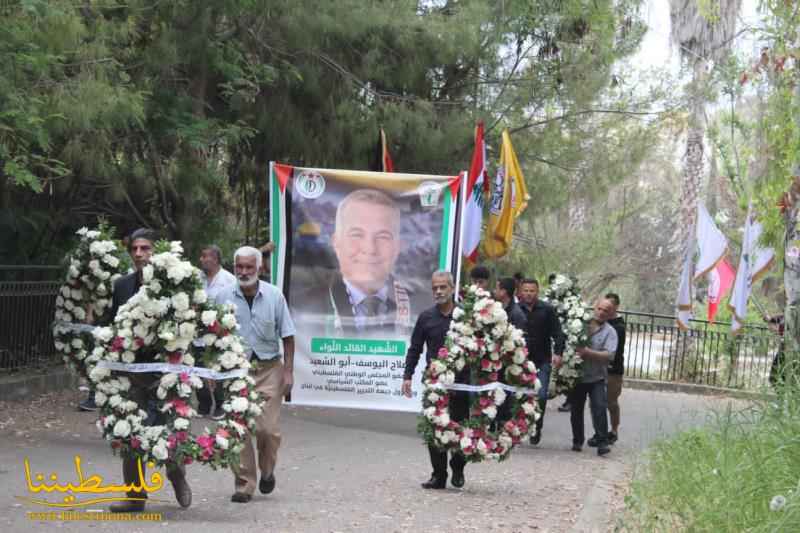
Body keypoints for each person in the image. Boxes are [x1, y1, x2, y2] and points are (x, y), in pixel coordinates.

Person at [107, 228, 192, 513]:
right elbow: (112, 327)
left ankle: (176, 475)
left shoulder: (173, 285)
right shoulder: (121, 286)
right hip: (131, 372)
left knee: (168, 429)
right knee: (129, 429)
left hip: (165, 372)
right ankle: (135, 495)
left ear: (156, 252)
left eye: (145, 248)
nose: (139, 254)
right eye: (135, 249)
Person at [219, 246, 296, 503]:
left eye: (249, 267)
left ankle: (268, 470)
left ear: (260, 268)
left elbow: (287, 335)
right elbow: (212, 335)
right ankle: (244, 483)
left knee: (267, 430)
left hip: (268, 370)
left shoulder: (275, 297)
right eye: (239, 267)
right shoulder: (222, 297)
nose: (243, 272)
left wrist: (288, 371)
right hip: (234, 371)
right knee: (236, 428)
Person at [297, 188, 426, 336]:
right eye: (356, 234)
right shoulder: (303, 306)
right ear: (336, 243)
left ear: (398, 247)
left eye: (383, 236)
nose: (369, 248)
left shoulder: (423, 306)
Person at [403, 271, 467, 489]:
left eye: (443, 287)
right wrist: (407, 375)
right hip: (435, 383)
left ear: (452, 288)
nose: (439, 291)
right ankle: (439, 475)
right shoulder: (426, 317)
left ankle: (458, 467)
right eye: (435, 288)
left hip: (461, 383)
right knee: (433, 428)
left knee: (459, 428)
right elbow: (415, 348)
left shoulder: (466, 316)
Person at [562, 298, 617, 456]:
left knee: (599, 407)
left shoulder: (610, 332)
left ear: (611, 313)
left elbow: (609, 355)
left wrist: (588, 353)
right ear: (595, 308)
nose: (601, 312)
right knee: (576, 409)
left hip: (597, 377)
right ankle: (577, 440)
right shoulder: (580, 325)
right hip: (578, 376)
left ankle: (602, 443)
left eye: (606, 310)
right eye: (599, 308)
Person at [518, 278, 565, 445]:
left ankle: (537, 425)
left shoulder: (547, 310)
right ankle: (522, 427)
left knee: (542, 395)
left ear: (537, 292)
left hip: (542, 359)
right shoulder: (515, 310)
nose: (529, 294)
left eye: (532, 291)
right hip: (520, 361)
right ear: (520, 292)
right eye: (526, 290)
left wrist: (558, 353)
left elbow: (558, 333)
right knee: (520, 396)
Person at [197, 244, 236, 419]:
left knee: (218, 367)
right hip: (198, 331)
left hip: (219, 331)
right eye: (202, 256)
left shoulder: (229, 279)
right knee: (198, 367)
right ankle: (203, 404)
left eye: (207, 256)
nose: (203, 259)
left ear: (217, 259)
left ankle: (220, 405)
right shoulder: (197, 278)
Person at [594, 292, 625, 445]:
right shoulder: (598, 322)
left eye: (610, 306)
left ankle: (613, 430)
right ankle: (599, 432)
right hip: (598, 368)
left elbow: (614, 351)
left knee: (611, 401)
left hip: (613, 370)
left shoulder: (618, 327)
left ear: (616, 307)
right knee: (598, 402)